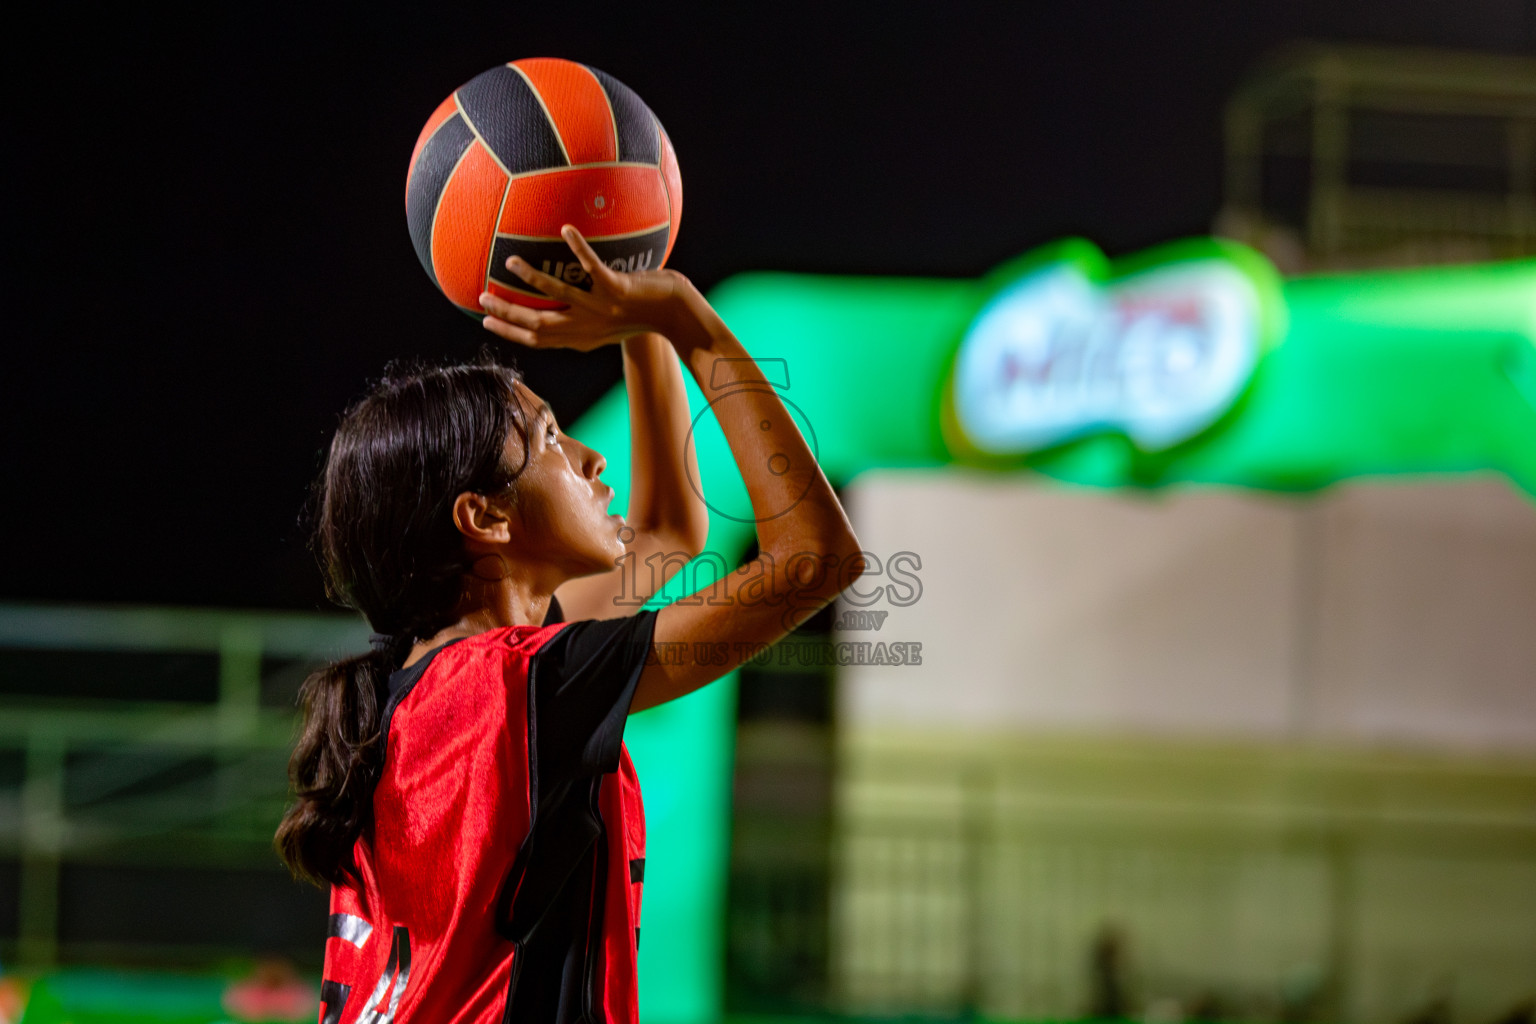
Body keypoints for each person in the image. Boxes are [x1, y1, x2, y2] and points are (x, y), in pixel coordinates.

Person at [275, 226, 862, 1024]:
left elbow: (666, 538)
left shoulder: (418, 688)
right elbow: (816, 559)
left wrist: (640, 327)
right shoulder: (518, 685)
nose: (593, 458)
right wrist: (694, 324)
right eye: (551, 437)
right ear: (483, 518)